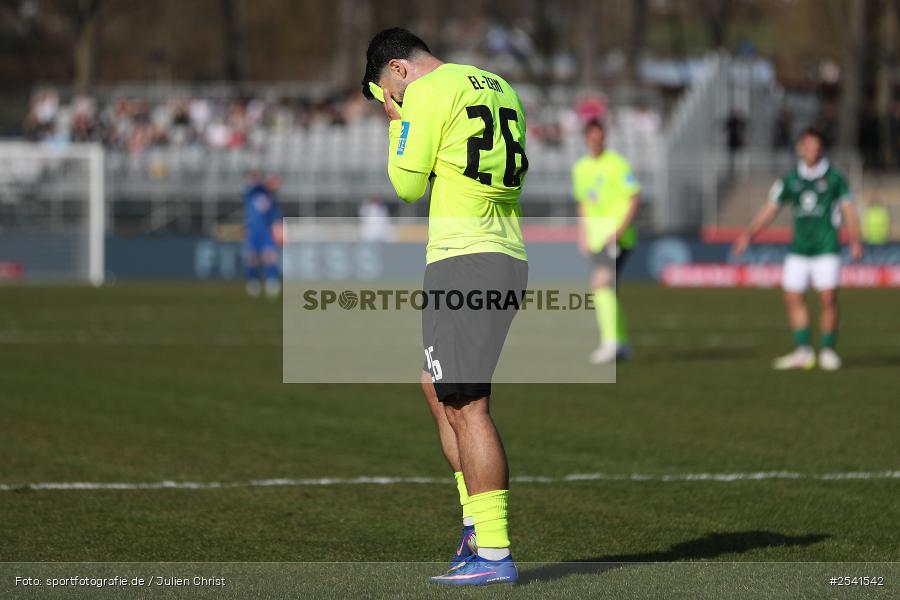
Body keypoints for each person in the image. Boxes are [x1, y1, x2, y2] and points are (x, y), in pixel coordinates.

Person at [363, 27, 528, 586]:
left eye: (387, 88)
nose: (392, 98)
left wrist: (397, 126)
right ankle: (475, 532)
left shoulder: (428, 92)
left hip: (466, 256)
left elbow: (406, 185)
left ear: (398, 69)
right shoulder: (499, 85)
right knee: (438, 389)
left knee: (469, 404)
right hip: (501, 249)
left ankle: (494, 552)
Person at [733, 128, 863, 370]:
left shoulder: (835, 178)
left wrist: (855, 240)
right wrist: (748, 235)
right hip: (799, 249)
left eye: (816, 147)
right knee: (792, 297)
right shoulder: (790, 179)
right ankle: (803, 351)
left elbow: (848, 210)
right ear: (800, 149)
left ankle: (827, 351)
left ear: (821, 149)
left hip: (826, 248)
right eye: (808, 146)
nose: (812, 151)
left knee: (828, 298)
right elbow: (770, 209)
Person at [572, 119, 640, 364]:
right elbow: (582, 202)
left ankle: (610, 343)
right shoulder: (581, 168)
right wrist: (582, 234)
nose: (595, 140)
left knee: (600, 283)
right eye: (591, 136)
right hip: (596, 239)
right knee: (609, 289)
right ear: (586, 138)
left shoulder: (618, 164)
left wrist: (620, 230)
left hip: (616, 238)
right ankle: (621, 345)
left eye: (599, 136)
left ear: (605, 137)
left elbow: (633, 198)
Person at [243, 173, 282, 298]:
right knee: (252, 258)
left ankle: (272, 282)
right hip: (253, 231)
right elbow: (251, 189)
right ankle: (253, 283)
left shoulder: (271, 199)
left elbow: (276, 217)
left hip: (266, 232)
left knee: (269, 257)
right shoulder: (253, 193)